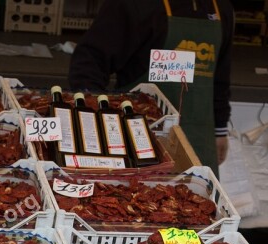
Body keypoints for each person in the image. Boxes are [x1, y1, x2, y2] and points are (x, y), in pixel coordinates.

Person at [69, 0, 234, 173]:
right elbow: (89, 62)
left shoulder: (221, 7)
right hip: (139, 139)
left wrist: (220, 130)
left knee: (200, 196)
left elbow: (220, 78)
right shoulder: (134, 4)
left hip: (199, 140)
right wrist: (92, 122)